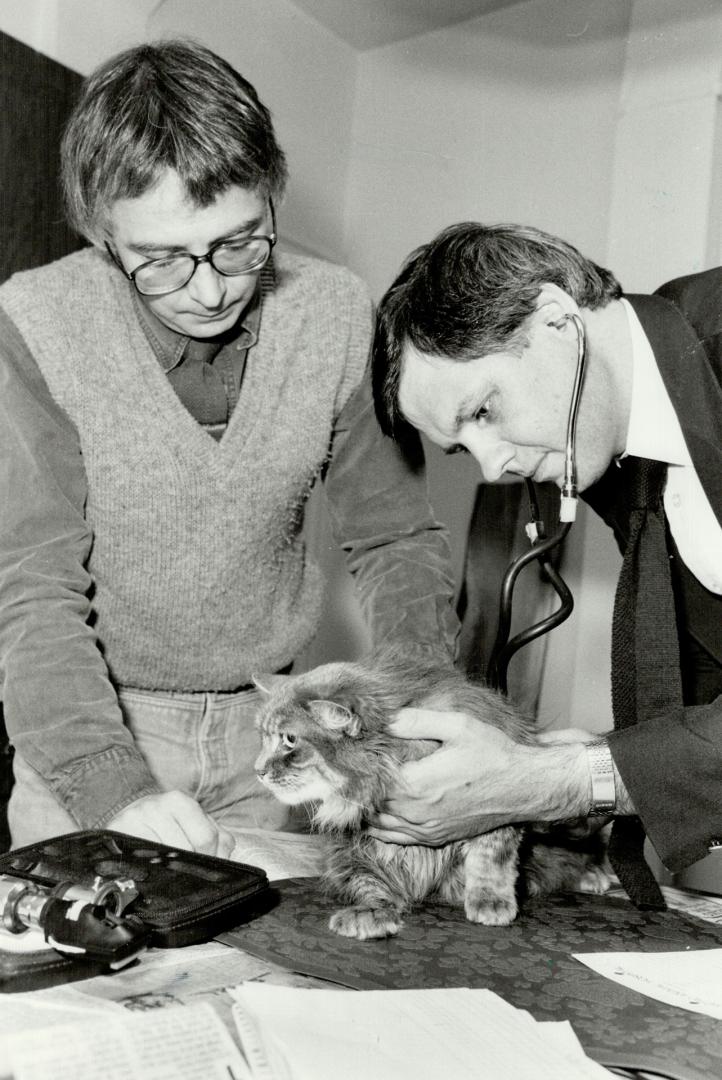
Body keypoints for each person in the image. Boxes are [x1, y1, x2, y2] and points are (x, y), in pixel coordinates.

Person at [0, 40, 458, 856]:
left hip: (274, 737)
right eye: (161, 261)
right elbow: (33, 586)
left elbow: (396, 541)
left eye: (242, 243)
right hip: (93, 731)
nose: (211, 290)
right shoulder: (36, 323)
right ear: (102, 236)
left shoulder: (337, 313)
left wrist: (413, 717)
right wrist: (112, 784)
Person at [369, 221, 722, 905]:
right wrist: (564, 764)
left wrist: (573, 777)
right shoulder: (617, 449)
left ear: (557, 319)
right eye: (462, 446)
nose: (494, 464)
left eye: (484, 410)